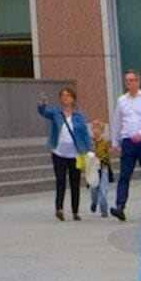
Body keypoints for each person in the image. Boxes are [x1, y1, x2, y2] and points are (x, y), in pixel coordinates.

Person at [46, 85, 93, 219]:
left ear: (73, 99)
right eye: (62, 96)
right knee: (60, 180)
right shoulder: (56, 113)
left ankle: (75, 210)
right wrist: (42, 106)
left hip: (75, 154)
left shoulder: (79, 115)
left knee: (75, 182)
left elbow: (84, 134)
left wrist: (90, 150)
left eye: (67, 95)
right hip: (58, 152)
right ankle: (59, 208)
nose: (65, 98)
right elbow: (43, 112)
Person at [110, 70, 141, 220]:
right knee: (125, 175)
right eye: (127, 80)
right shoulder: (122, 101)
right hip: (128, 141)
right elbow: (117, 122)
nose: (129, 83)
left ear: (138, 82)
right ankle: (120, 205)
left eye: (132, 80)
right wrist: (115, 141)